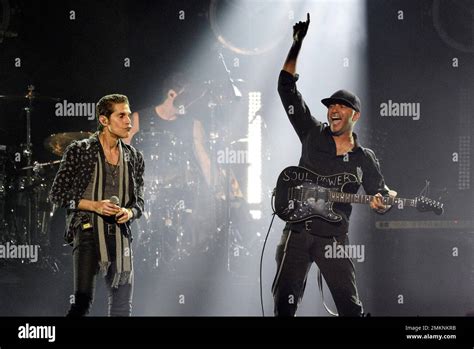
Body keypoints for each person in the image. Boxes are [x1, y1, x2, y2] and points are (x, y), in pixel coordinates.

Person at [272, 13, 396, 317]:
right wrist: (296, 44)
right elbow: (286, 87)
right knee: (284, 308)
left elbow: (380, 192)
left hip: (334, 240)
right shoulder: (312, 132)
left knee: (351, 309)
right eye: (331, 106)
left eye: (342, 106)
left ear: (355, 116)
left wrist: (386, 201)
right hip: (297, 232)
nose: (334, 110)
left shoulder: (364, 158)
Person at [49, 94, 145, 316]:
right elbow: (58, 194)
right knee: (82, 304)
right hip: (87, 230)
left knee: (122, 307)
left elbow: (139, 202)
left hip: (121, 234)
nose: (128, 121)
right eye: (121, 115)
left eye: (129, 115)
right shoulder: (80, 150)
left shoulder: (134, 157)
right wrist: (95, 206)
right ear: (104, 120)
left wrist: (129, 212)